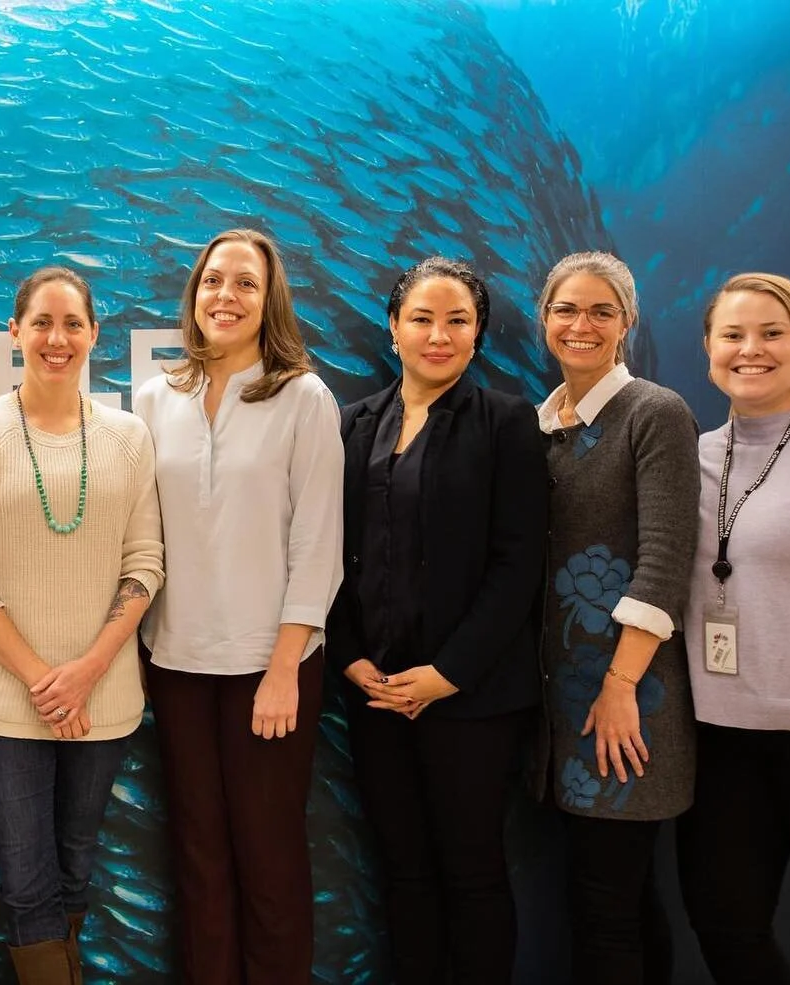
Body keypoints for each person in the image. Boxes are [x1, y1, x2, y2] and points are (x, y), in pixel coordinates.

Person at [0, 266, 163, 985]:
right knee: (27, 884)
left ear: (96, 334)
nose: (57, 338)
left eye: (72, 324)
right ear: (14, 333)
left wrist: (86, 670)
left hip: (104, 700)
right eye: (42, 323)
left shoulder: (130, 435)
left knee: (75, 872)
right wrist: (42, 678)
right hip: (5, 705)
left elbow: (147, 561)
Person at [327, 256, 547, 984]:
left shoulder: (507, 421)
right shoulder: (353, 424)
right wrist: (352, 658)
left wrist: (448, 673)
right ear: (394, 328)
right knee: (405, 873)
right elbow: (327, 553)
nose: (439, 334)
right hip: (376, 694)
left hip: (471, 702)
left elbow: (520, 565)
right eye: (422, 317)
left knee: (473, 873)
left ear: (479, 333)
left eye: (457, 319)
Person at [135, 228, 342, 985]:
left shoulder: (303, 396)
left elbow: (318, 544)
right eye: (213, 280)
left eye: (245, 283)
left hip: (271, 666)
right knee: (198, 857)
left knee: (269, 855)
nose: (226, 295)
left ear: (268, 300)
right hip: (178, 663)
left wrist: (285, 665)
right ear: (194, 294)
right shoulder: (157, 397)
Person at [537, 252, 699, 985]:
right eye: (567, 309)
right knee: (618, 903)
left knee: (609, 910)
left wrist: (620, 684)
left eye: (602, 310)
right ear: (545, 319)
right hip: (562, 703)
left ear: (627, 322)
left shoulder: (655, 412)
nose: (582, 324)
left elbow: (667, 559)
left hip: (629, 699)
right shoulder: (544, 426)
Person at [678, 273, 790, 985]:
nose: (751, 349)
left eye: (772, 332)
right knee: (725, 928)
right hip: (721, 737)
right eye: (732, 334)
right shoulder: (690, 455)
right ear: (707, 346)